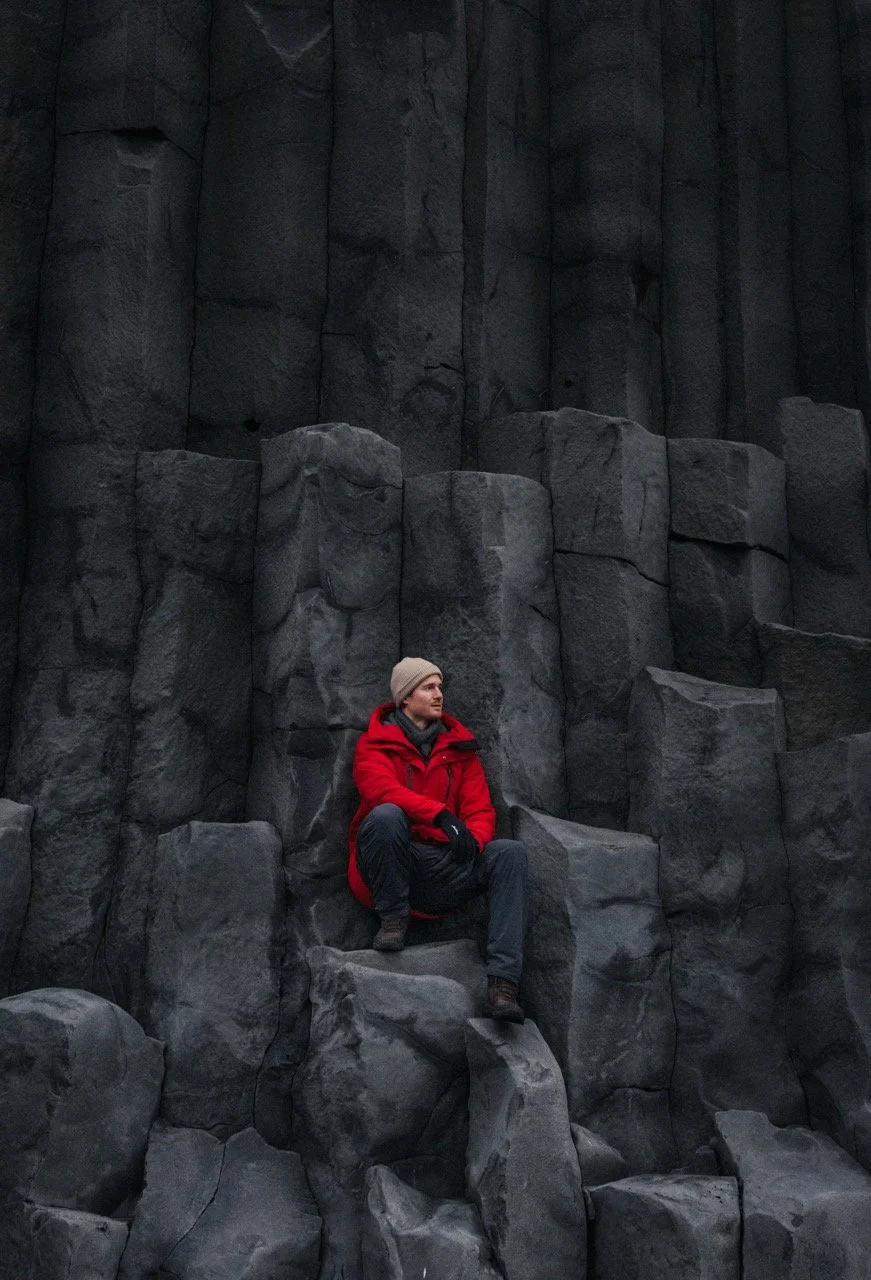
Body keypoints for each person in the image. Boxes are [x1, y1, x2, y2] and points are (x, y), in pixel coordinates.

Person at [347, 657, 529, 1023]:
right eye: (428, 687)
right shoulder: (373, 746)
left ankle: (503, 987)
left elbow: (480, 810)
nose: (438, 694)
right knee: (385, 816)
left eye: (440, 687)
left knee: (509, 853)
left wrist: (472, 841)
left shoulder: (460, 750)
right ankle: (393, 920)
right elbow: (382, 792)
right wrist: (441, 817)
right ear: (404, 698)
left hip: (445, 867)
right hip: (392, 868)